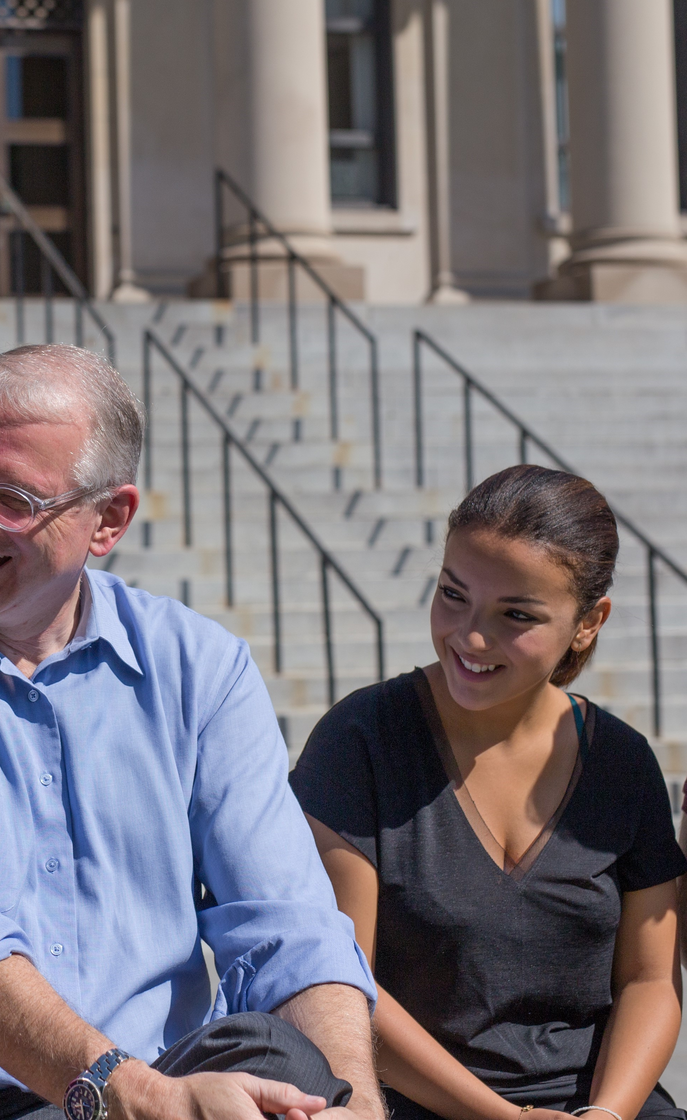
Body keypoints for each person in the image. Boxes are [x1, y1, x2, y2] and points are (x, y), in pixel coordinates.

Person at [0, 345, 384, 1120]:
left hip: (165, 1087)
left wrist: (354, 1102)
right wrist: (140, 1098)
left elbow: (288, 925)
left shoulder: (198, 666)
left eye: (12, 499)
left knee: (293, 1067)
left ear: (109, 520)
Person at [290, 465, 685, 1120]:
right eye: (453, 593)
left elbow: (651, 978)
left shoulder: (623, 762)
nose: (470, 636)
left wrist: (607, 1113)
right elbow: (342, 984)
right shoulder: (360, 740)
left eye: (517, 615)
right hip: (405, 1104)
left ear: (588, 622)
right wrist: (506, 1118)